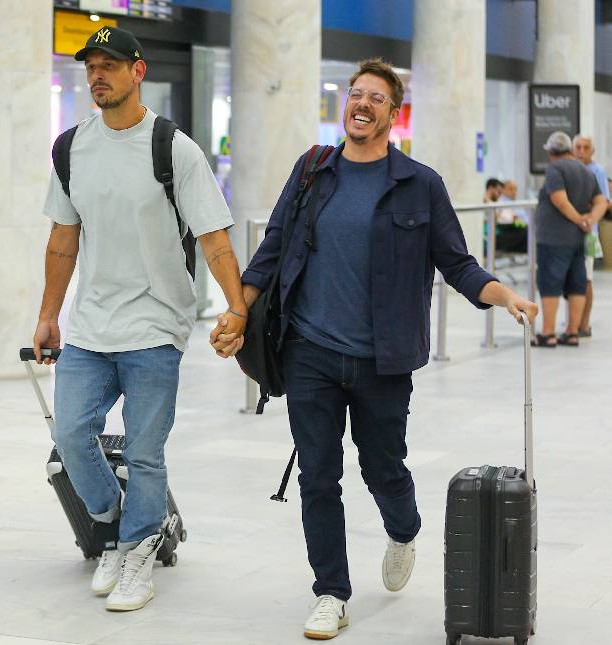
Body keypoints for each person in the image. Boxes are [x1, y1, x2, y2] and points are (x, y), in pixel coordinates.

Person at [212, 58, 538, 640]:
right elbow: (274, 246)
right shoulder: (314, 171)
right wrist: (240, 309)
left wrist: (500, 294)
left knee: (382, 468)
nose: (360, 104)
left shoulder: (420, 183)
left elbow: (456, 262)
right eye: (354, 94)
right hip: (308, 349)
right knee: (318, 475)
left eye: (374, 98)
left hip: (382, 358)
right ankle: (331, 592)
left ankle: (404, 527)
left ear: (393, 112)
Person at [34, 27, 247, 612]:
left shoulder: (174, 147)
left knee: (146, 451)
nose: (98, 75)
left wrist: (237, 307)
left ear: (138, 71)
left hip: (156, 323)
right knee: (71, 434)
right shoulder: (70, 148)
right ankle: (114, 526)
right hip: (91, 323)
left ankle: (138, 548)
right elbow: (61, 238)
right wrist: (48, 315)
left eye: (110, 64)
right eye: (91, 66)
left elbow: (213, 235)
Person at [532, 131, 607, 347]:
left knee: (550, 283)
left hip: (553, 238)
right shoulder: (585, 171)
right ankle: (572, 332)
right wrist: (590, 219)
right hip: (578, 240)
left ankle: (548, 333)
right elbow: (601, 201)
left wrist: (579, 220)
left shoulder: (554, 169)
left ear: (551, 152)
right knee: (577, 283)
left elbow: (559, 200)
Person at [572, 134, 611, 337]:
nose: (581, 151)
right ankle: (573, 321)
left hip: (588, 235)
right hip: (568, 234)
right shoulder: (569, 169)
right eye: (577, 147)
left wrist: (588, 212)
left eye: (585, 147)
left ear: (592, 151)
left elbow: (605, 202)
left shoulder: (597, 172)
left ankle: (584, 324)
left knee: (586, 279)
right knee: (571, 279)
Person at [495, 179, 528, 253]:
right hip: (507, 232)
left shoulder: (516, 203)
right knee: (527, 233)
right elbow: (505, 220)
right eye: (510, 189)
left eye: (515, 189)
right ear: (503, 190)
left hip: (519, 231)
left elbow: (526, 219)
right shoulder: (501, 203)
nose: (514, 191)